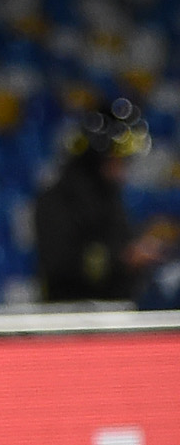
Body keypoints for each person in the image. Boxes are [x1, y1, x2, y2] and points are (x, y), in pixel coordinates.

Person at [33, 98, 171, 303]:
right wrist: (122, 258)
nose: (123, 169)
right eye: (117, 159)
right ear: (97, 157)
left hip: (114, 311)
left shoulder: (110, 195)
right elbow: (59, 264)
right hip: (68, 316)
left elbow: (118, 241)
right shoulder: (57, 200)